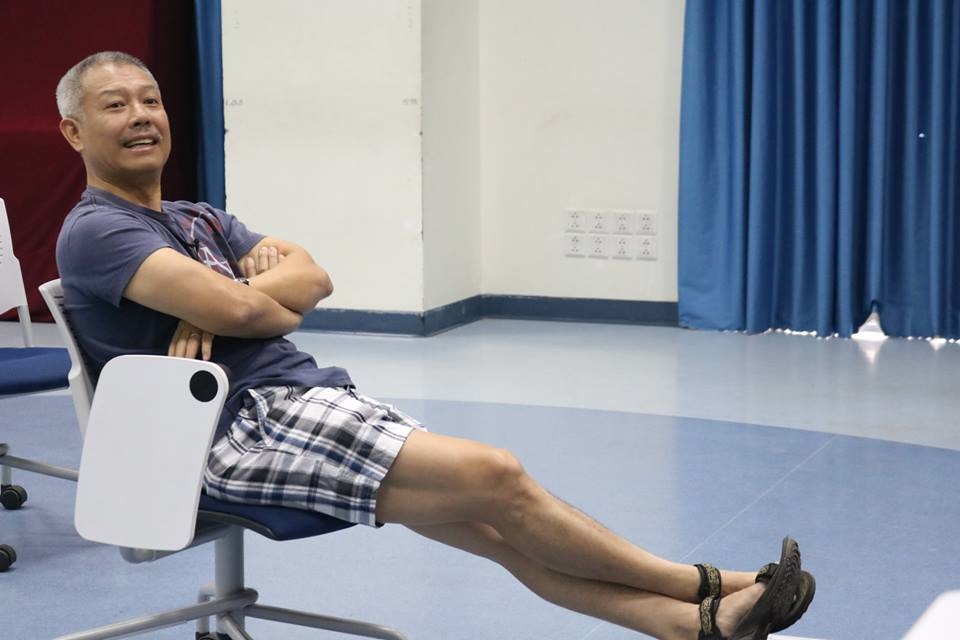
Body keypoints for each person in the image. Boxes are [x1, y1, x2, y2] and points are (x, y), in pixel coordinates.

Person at [54, 51, 814, 640]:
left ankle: (688, 627)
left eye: (151, 99)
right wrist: (244, 302)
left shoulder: (197, 219)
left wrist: (236, 303)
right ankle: (704, 585)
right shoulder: (98, 230)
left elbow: (314, 276)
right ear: (74, 132)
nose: (142, 116)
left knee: (498, 529)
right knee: (498, 476)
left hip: (300, 397)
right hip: (232, 430)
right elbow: (252, 309)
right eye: (115, 105)